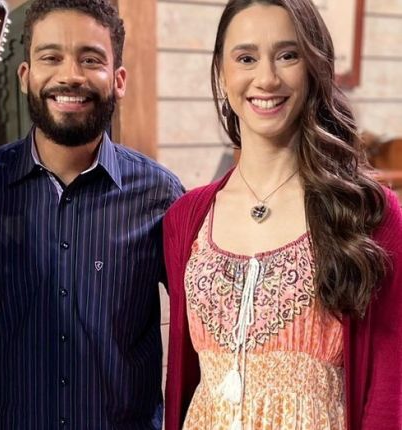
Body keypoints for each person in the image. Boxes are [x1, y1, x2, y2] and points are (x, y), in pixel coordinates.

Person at [162, 0, 402, 429]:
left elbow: (390, 390)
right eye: (246, 58)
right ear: (222, 71)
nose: (267, 78)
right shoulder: (185, 218)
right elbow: (183, 379)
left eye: (288, 55)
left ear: (313, 66)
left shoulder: (372, 215)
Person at [0, 0, 184, 428]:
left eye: (90, 59)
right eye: (50, 57)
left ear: (119, 80)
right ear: (26, 77)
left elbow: (200, 323)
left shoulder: (160, 194)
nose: (70, 74)